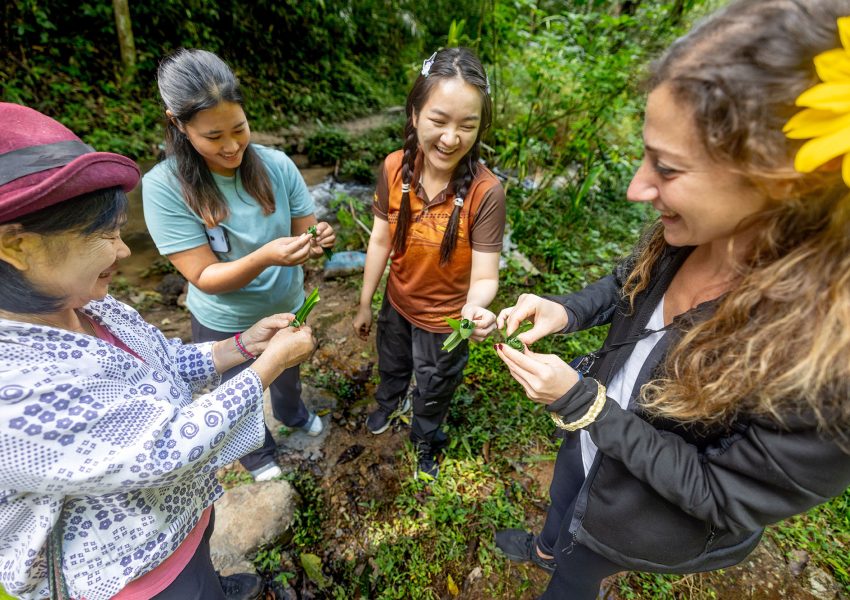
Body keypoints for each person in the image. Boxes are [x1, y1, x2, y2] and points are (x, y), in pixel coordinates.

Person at [491, 0, 850, 597]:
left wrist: (587, 406)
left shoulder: (826, 369)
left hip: (634, 514)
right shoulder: (693, 234)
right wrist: (568, 310)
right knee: (564, 500)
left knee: (580, 569)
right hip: (588, 444)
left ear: (780, 181)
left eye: (667, 167)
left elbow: (719, 494)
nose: (637, 187)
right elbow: (627, 283)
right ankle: (546, 543)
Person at [0, 102, 316, 600]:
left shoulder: (92, 308)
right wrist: (268, 366)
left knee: (204, 570)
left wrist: (242, 345)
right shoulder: (13, 390)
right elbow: (163, 446)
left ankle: (215, 580)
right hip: (139, 577)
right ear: (16, 246)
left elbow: (162, 362)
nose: (124, 252)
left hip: (183, 520)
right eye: (103, 235)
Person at [142, 49, 335, 482]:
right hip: (221, 320)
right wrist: (267, 255)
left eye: (239, 129)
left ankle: (292, 411)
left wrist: (316, 238)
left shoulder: (277, 165)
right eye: (213, 137)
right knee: (237, 389)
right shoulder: (163, 188)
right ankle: (255, 452)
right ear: (178, 123)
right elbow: (204, 277)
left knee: (287, 371)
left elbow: (307, 227)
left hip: (286, 304)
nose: (231, 147)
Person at [352, 47, 506, 479]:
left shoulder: (485, 192)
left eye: (467, 126)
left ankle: (425, 439)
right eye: (439, 120)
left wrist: (476, 308)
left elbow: (485, 274)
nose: (451, 138)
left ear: (480, 128)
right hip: (397, 304)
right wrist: (366, 301)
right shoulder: (394, 169)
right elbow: (381, 239)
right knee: (392, 363)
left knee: (436, 386)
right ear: (415, 114)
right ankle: (389, 401)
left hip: (446, 323)